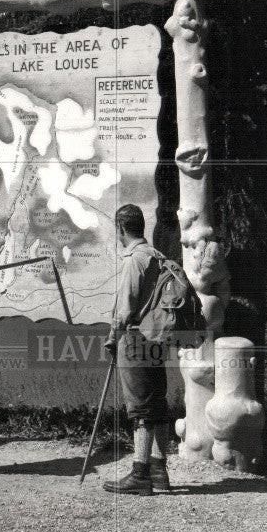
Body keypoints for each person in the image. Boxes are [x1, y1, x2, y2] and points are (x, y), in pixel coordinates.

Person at [102, 203, 171, 495]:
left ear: (120, 228)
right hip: (157, 339)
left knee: (141, 408)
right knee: (158, 404)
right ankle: (159, 471)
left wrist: (111, 338)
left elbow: (125, 307)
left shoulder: (134, 260)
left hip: (135, 339)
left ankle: (140, 473)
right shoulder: (158, 256)